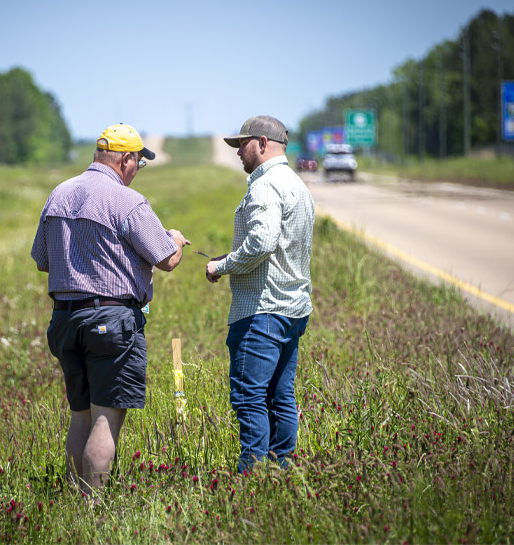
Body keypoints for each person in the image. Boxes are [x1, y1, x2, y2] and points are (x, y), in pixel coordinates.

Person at [31, 123, 190, 497]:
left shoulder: (59, 194)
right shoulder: (126, 201)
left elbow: (42, 260)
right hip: (111, 320)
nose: (137, 171)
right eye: (138, 163)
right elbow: (166, 260)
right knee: (105, 420)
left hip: (65, 320)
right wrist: (176, 240)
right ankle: (93, 508)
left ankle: (73, 499)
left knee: (80, 416)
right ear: (126, 159)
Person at [205, 115, 315, 473]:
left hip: (262, 310)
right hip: (292, 308)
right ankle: (282, 469)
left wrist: (221, 266)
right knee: (280, 396)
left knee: (250, 397)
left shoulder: (265, 186)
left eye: (243, 144)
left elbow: (263, 242)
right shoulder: (298, 185)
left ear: (263, 144)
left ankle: (252, 475)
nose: (238, 152)